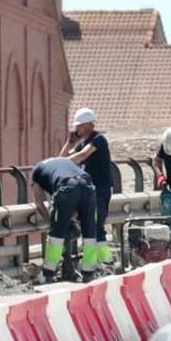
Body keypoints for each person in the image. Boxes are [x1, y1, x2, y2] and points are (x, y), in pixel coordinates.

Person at [30, 156, 97, 283]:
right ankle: (89, 273)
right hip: (88, 185)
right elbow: (79, 191)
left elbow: (39, 204)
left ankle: (48, 274)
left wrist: (53, 222)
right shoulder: (66, 162)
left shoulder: (36, 171)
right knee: (90, 232)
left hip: (67, 187)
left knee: (56, 234)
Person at [61, 108, 111, 273]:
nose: (78, 130)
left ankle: (105, 261)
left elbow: (81, 156)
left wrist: (59, 164)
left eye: (80, 126)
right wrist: (69, 143)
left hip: (100, 190)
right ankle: (95, 263)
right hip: (86, 191)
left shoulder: (98, 140)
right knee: (88, 226)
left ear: (90, 125)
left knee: (96, 226)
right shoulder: (82, 142)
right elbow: (63, 158)